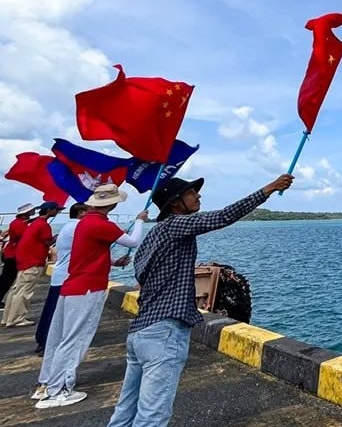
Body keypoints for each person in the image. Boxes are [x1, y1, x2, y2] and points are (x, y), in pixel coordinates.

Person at [106, 173, 293, 427]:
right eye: (191, 193)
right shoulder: (175, 225)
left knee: (124, 412)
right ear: (175, 204)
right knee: (152, 416)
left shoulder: (154, 235)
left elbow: (141, 274)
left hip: (140, 331)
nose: (198, 195)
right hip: (164, 332)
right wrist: (269, 189)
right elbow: (223, 216)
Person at [35, 185, 146, 408]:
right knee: (75, 339)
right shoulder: (100, 224)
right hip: (87, 288)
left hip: (71, 286)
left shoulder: (83, 224)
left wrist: (113, 262)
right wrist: (141, 220)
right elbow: (133, 241)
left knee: (59, 339)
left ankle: (46, 384)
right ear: (112, 204)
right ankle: (59, 391)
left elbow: (88, 252)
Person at [34, 203, 89, 355]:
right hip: (66, 276)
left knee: (50, 310)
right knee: (56, 314)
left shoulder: (67, 226)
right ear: (82, 213)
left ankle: (42, 340)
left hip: (59, 275)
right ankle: (47, 345)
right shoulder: (77, 227)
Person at [3, 201, 62, 327]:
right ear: (50, 210)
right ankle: (17, 319)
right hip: (33, 262)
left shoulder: (34, 224)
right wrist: (57, 238)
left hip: (24, 261)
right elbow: (47, 242)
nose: (58, 212)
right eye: (56, 210)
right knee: (25, 291)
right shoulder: (43, 225)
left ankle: (8, 318)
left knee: (17, 290)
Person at [0, 203, 35, 308]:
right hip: (12, 254)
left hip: (11, 253)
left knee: (6, 278)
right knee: (7, 279)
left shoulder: (18, 222)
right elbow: (23, 238)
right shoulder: (19, 224)